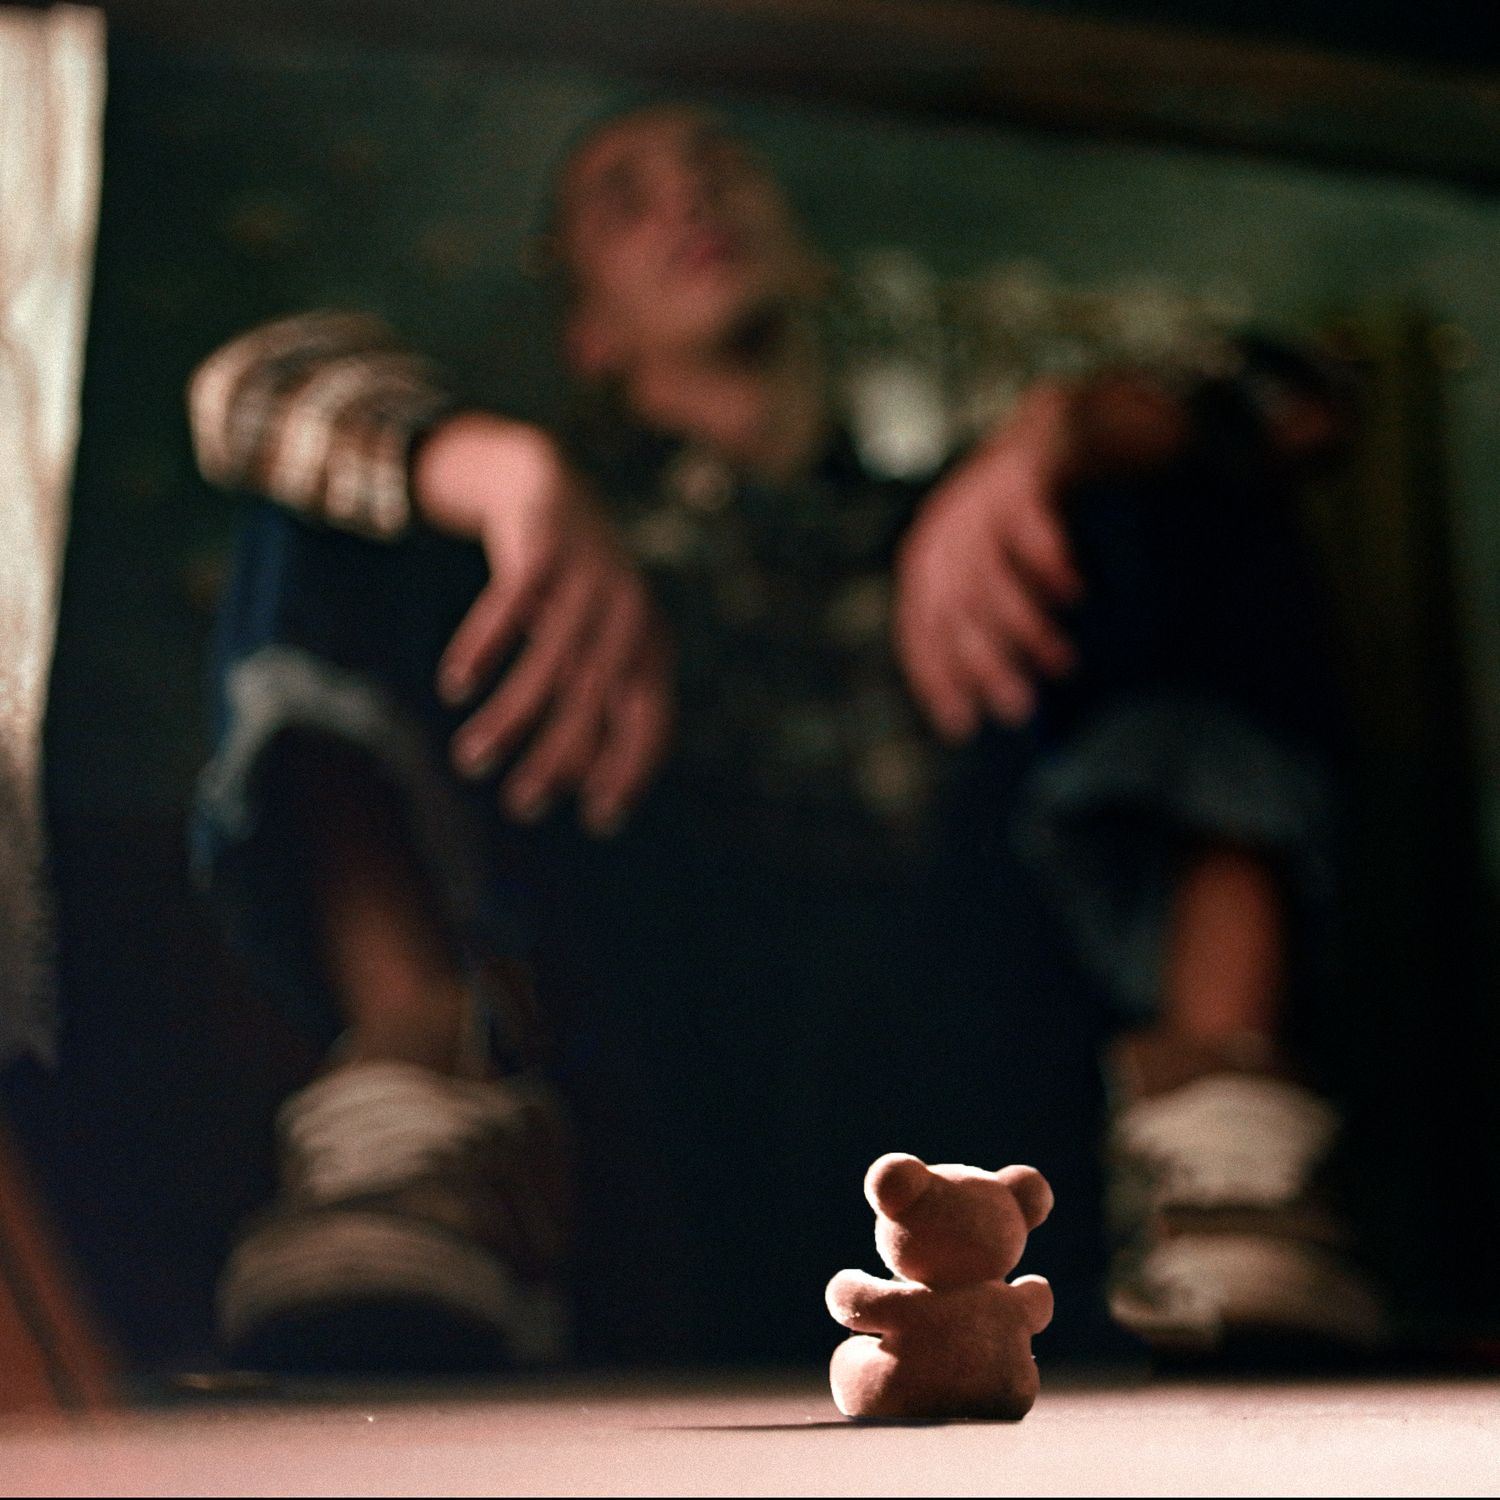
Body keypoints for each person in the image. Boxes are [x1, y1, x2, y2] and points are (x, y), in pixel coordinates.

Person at [187, 102, 1386, 1370]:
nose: (689, 201)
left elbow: (1310, 397)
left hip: (982, 1117)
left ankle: (1220, 1151)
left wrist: (1061, 435)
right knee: (347, 509)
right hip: (644, 1076)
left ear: (807, 258)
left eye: (717, 168)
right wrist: (496, 471)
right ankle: (420, 1135)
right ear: (589, 333)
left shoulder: (961, 517)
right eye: (625, 199)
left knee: (1180, 480)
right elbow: (241, 394)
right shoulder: (549, 519)